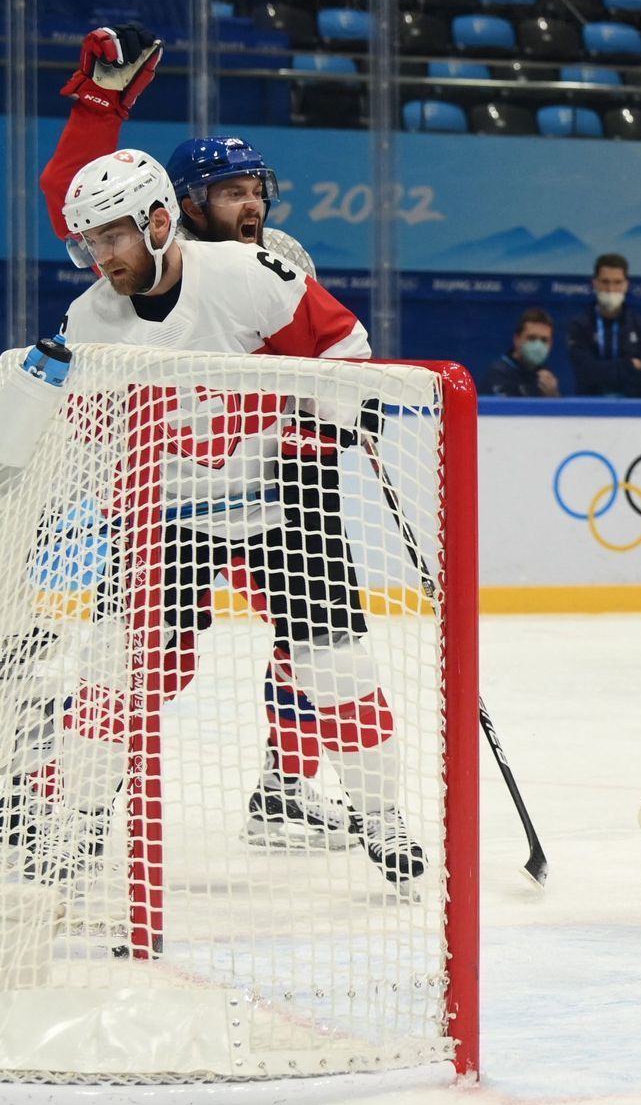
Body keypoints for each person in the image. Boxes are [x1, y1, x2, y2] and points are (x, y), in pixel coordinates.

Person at [5, 148, 422, 887]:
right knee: (113, 671)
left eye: (112, 237)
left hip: (282, 502)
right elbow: (96, 431)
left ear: (160, 222)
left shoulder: (247, 278)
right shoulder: (91, 320)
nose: (100, 256)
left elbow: (344, 346)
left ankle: (379, 814)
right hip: (169, 516)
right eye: (89, 242)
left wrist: (323, 434)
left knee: (336, 667)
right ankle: (82, 823)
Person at [36, 22, 315, 277]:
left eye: (257, 192)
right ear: (192, 208)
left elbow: (331, 331)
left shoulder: (285, 253)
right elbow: (69, 192)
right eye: (234, 194)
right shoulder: (156, 260)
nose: (254, 204)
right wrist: (100, 106)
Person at [567, 253, 641, 397]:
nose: (611, 289)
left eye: (617, 282)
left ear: (626, 285)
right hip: (590, 409)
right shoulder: (579, 325)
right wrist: (629, 366)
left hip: (633, 410)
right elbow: (585, 372)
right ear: (595, 283)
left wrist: (601, 370)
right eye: (605, 282)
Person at [482, 309, 561, 398]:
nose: (538, 345)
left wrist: (553, 397)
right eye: (532, 338)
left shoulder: (546, 378)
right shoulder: (498, 375)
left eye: (544, 340)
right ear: (517, 339)